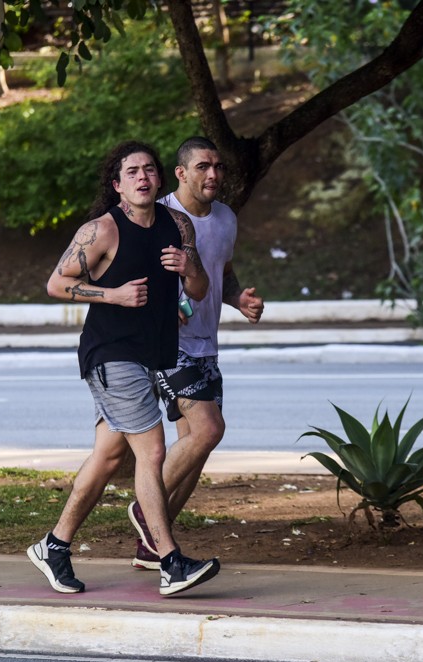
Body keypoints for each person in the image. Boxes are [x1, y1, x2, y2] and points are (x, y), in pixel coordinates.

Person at [27, 140, 221, 596]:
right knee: (152, 451)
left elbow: (198, 288)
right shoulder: (102, 231)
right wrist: (111, 295)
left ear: (160, 178)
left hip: (151, 354)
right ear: (117, 185)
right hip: (110, 354)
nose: (142, 177)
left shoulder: (177, 224)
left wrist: (187, 265)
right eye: (131, 171)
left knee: (109, 457)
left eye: (148, 170)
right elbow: (57, 283)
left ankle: (53, 546)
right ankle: (170, 561)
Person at [128, 136, 265, 570]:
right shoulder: (159, 215)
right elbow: (130, 272)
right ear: (182, 173)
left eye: (218, 167)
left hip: (207, 345)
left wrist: (237, 297)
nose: (214, 175)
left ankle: (152, 546)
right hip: (167, 345)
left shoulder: (226, 217)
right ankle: (144, 510)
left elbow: (222, 268)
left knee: (196, 447)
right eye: (203, 166)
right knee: (209, 430)